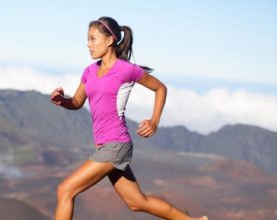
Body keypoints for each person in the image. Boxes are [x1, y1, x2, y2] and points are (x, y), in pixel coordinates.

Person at [50, 16, 208, 220]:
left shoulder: (126, 70)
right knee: (137, 202)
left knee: (65, 190)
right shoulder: (89, 71)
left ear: (109, 40)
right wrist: (62, 100)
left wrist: (154, 121)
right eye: (87, 40)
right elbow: (77, 103)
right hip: (104, 145)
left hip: (116, 145)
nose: (88, 45)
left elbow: (160, 88)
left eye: (92, 39)